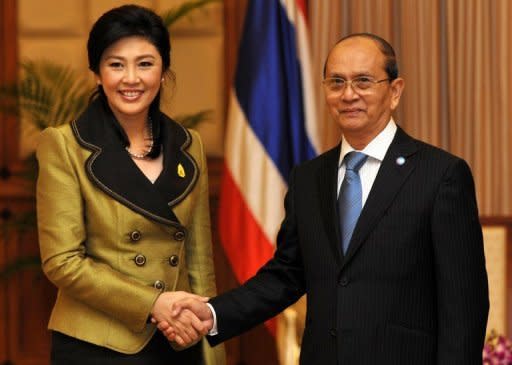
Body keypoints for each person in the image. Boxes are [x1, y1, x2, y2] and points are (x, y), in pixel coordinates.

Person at [160, 33, 489, 364]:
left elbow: (464, 305)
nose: (348, 94)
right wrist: (213, 313)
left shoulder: (440, 175)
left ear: (394, 91)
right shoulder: (309, 178)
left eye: (363, 81)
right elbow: (286, 275)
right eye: (336, 82)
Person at [36, 4, 225, 365]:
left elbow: (199, 258)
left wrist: (209, 346)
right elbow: (62, 261)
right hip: (97, 345)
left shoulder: (190, 144)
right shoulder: (63, 144)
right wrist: (153, 303)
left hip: (178, 338)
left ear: (164, 71)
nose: (131, 78)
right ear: (96, 73)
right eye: (115, 64)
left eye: (145, 63)